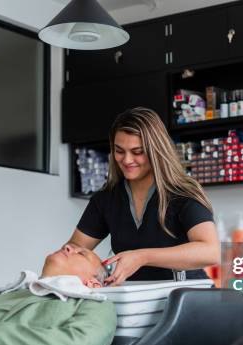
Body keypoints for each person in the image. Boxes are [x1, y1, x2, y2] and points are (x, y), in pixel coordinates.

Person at [67, 107, 220, 285]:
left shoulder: (182, 194)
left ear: (155, 150)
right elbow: (74, 250)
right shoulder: (106, 199)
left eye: (137, 152)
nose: (126, 160)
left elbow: (210, 251)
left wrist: (142, 257)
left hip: (189, 299)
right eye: (119, 150)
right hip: (138, 300)